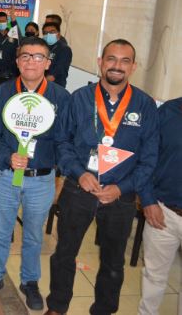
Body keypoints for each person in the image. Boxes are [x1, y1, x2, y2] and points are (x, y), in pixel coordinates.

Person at [44, 39, 159, 315]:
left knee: (113, 262)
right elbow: (62, 142)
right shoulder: (79, 98)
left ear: (133, 66)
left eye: (124, 61)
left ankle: (104, 310)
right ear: (100, 62)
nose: (117, 66)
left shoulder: (145, 105)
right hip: (79, 189)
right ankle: (57, 307)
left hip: (120, 196)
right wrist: (78, 172)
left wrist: (122, 188)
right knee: (64, 253)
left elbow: (149, 158)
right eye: (111, 59)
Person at [0, 37, 70, 310]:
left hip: (41, 179)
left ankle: (30, 282)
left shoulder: (61, 97)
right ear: (17, 61)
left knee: (34, 236)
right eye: (25, 56)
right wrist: (7, 156)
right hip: (6, 176)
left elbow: (65, 139)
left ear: (47, 63)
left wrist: (60, 172)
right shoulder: (2, 92)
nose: (31, 62)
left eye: (38, 57)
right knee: (1, 231)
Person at [138, 97, 182, 315]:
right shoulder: (168, 112)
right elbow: (147, 158)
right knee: (153, 276)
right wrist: (147, 200)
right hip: (163, 212)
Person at [41, 22, 72, 88]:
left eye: (51, 32)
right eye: (45, 33)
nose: (48, 35)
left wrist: (37, 84)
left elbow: (53, 76)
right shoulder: (43, 48)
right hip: (42, 83)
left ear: (58, 34)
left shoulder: (64, 49)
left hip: (55, 86)